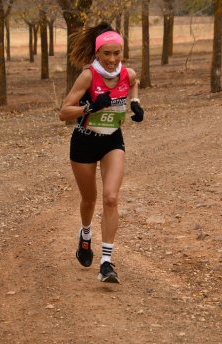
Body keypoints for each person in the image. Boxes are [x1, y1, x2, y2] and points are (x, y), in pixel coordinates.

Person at [59, 22, 144, 283]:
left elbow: (133, 83)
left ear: (122, 53)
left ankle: (106, 262)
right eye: (106, 53)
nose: (112, 59)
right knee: (90, 199)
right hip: (84, 141)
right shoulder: (88, 76)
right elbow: (64, 112)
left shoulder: (127, 73)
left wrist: (136, 104)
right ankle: (85, 235)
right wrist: (90, 107)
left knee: (110, 198)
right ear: (98, 54)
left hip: (112, 141)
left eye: (116, 53)